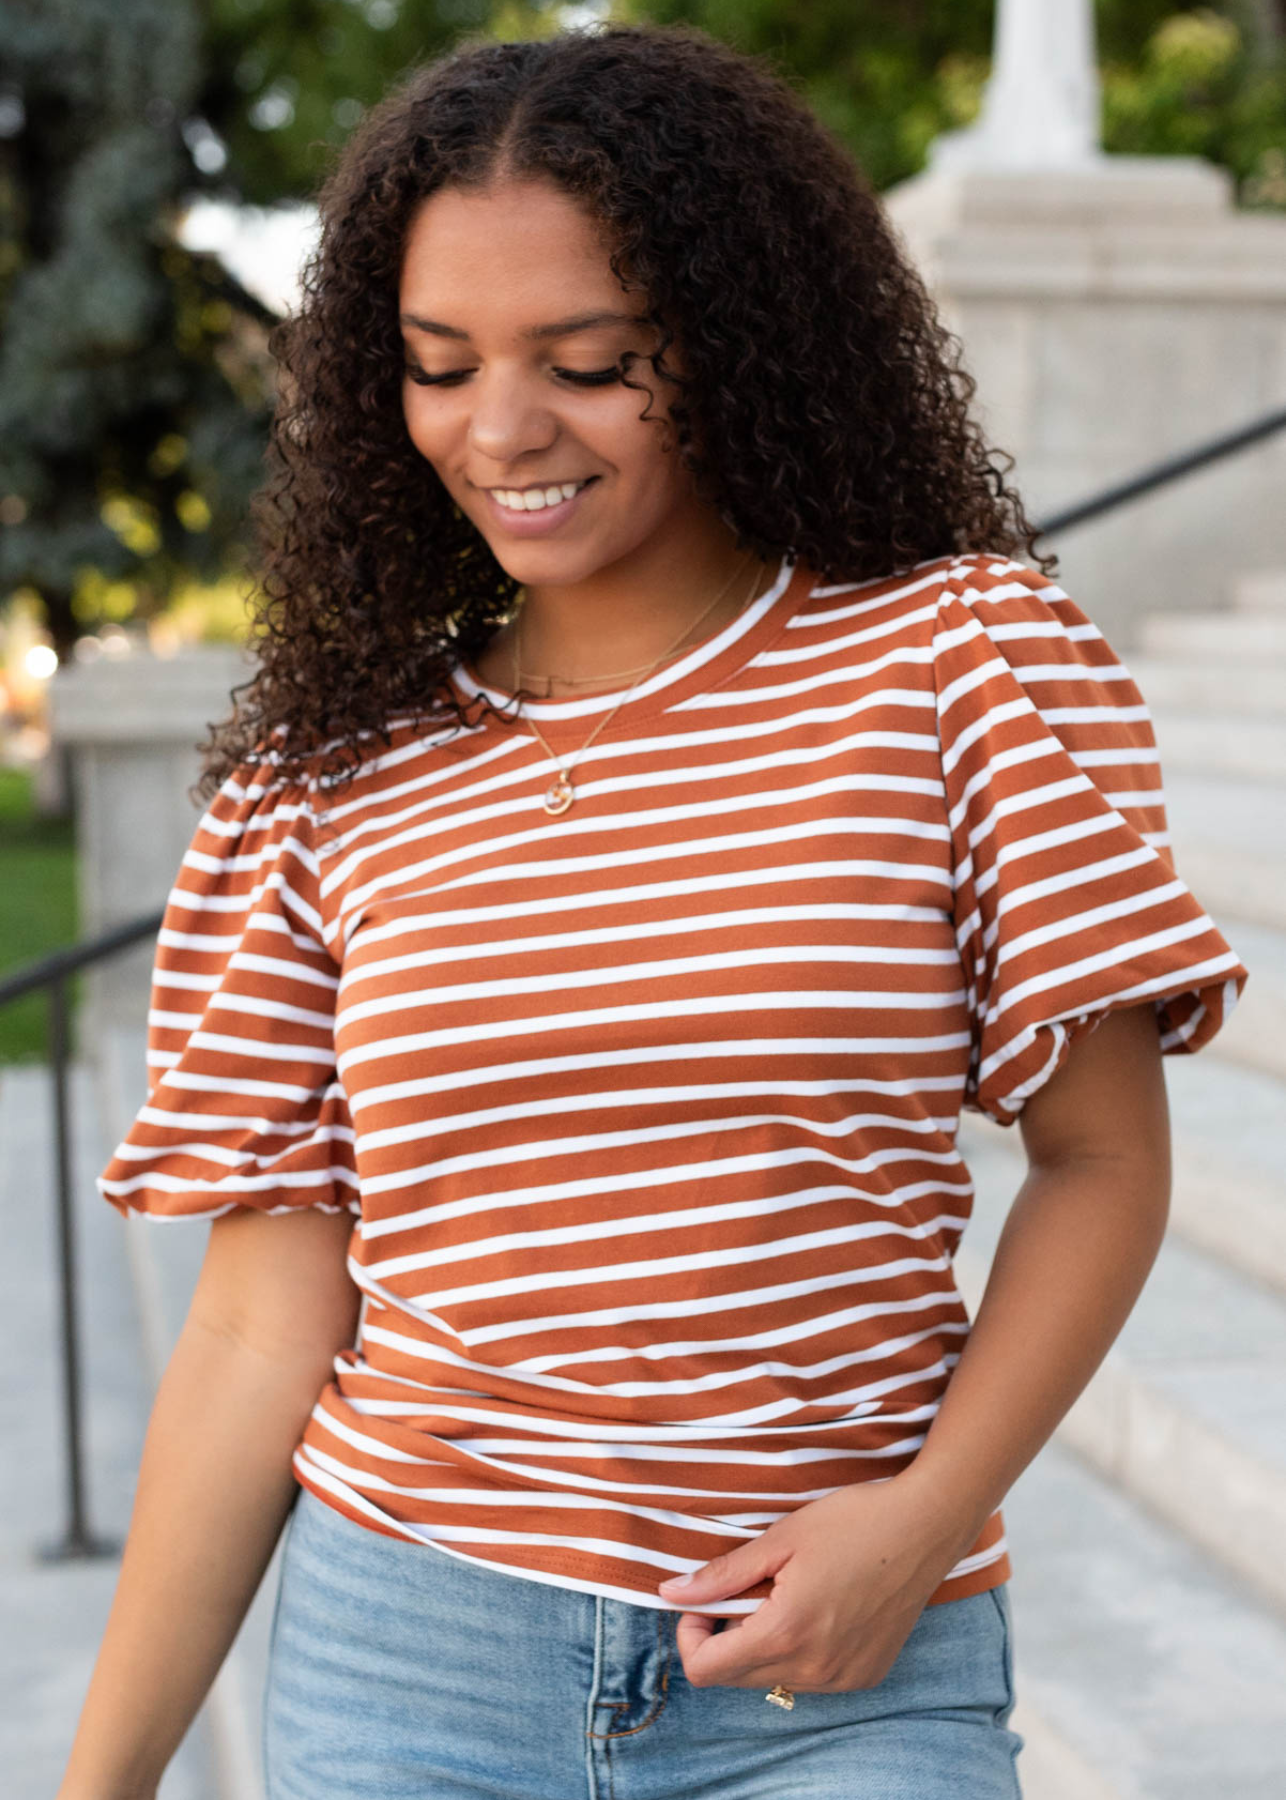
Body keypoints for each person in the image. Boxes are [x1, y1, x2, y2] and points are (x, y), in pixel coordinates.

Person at [60, 23, 1249, 1800]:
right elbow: (253, 1321)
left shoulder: (953, 670)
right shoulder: (322, 781)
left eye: (592, 361)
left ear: (738, 339)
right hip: (405, 1662)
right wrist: (102, 1781)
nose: (502, 430)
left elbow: (1097, 1160)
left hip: (840, 1674)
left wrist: (924, 1521)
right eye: (438, 365)